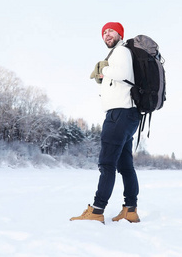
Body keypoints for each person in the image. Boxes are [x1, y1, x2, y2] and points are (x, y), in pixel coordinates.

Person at [70, 22, 141, 224]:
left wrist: (104, 69)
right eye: (104, 32)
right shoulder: (121, 53)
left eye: (111, 31)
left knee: (107, 163)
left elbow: (123, 74)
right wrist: (104, 73)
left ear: (120, 34)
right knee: (125, 165)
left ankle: (97, 210)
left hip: (118, 115)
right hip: (128, 115)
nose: (107, 34)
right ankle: (130, 210)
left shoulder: (121, 51)